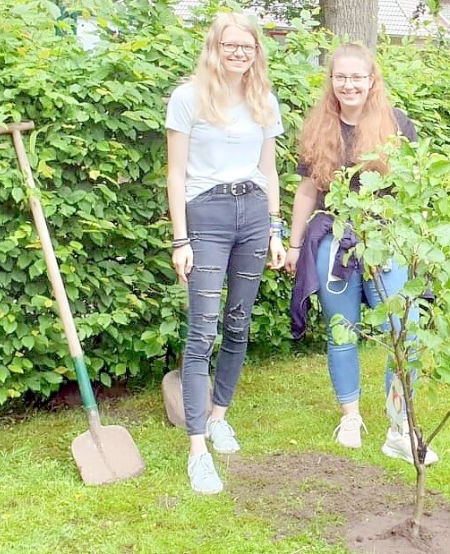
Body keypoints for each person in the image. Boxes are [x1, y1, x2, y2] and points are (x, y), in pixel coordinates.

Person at [285, 43, 438, 465]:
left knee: (403, 331)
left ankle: (399, 425)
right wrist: (295, 246)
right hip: (333, 240)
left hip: (387, 240)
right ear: (331, 81)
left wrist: (417, 242)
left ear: (372, 80)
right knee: (342, 329)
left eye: (357, 76)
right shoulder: (319, 127)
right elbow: (307, 191)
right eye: (341, 77)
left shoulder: (397, 124)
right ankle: (350, 416)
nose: (349, 84)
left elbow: (413, 188)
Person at [165, 13, 286, 494]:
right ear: (215, 47)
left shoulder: (264, 100)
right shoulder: (188, 97)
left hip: (254, 214)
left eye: (248, 46)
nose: (239, 53)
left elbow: (270, 171)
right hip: (207, 216)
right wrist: (180, 239)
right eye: (230, 45)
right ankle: (198, 451)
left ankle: (219, 416)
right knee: (203, 331)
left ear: (257, 52)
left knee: (238, 323)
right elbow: (175, 174)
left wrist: (276, 230)